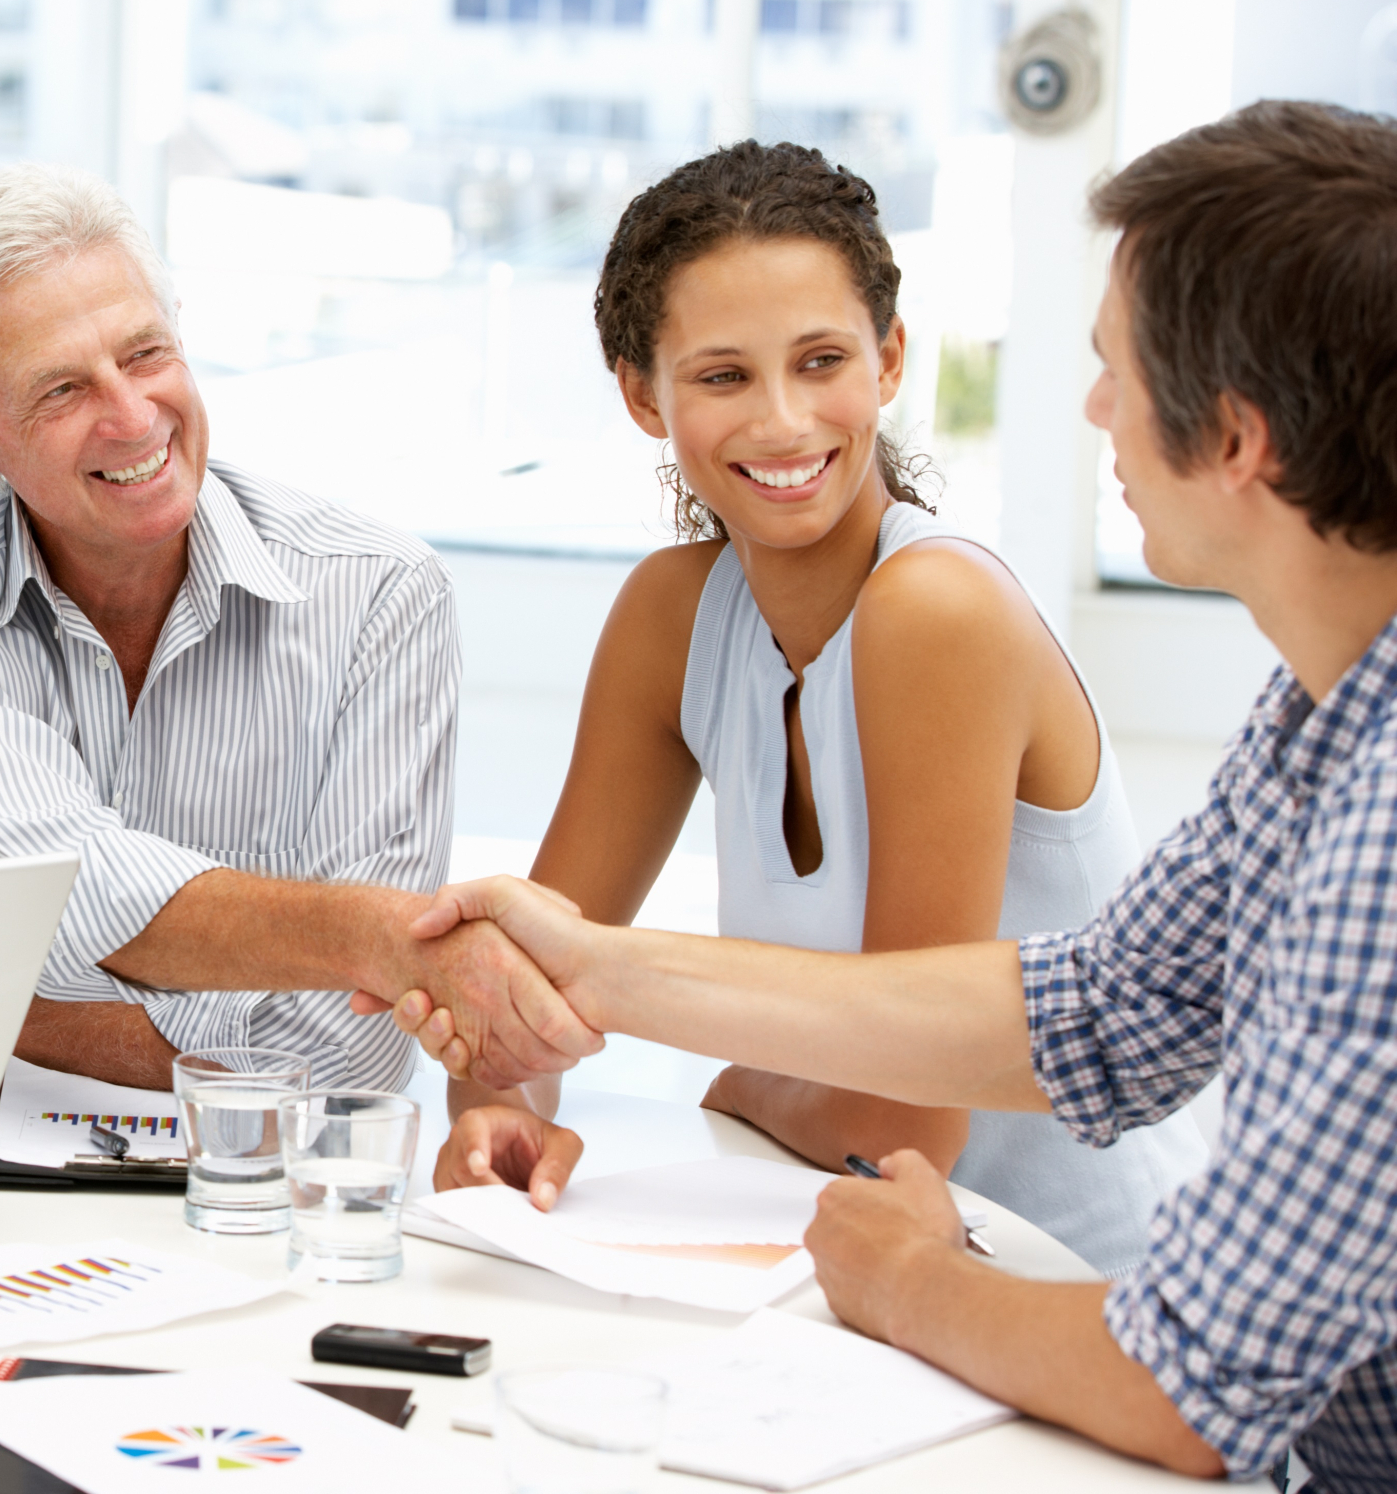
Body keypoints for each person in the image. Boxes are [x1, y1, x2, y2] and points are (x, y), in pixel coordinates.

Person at [386, 102, 1397, 1494]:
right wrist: (574, 999)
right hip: (1107, 1358)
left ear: (1232, 434)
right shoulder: (1314, 727)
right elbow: (1094, 1013)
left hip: (1143, 1364)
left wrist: (896, 1255)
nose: (1093, 408)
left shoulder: (1375, 829)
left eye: (1117, 369)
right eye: (725, 372)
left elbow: (1182, 1376)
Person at [426, 141, 1201, 1268]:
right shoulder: (673, 615)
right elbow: (524, 979)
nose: (783, 422)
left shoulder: (936, 609)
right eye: (722, 375)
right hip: (852, 1258)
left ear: (889, 361)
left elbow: (902, 1124)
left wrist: (745, 1081)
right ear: (642, 393)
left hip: (1071, 1285)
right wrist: (496, 1109)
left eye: (821, 359)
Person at [0, 162, 585, 1128]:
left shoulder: (381, 593)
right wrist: (369, 941)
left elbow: (356, 1049)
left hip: (270, 1186)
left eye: (145, 355)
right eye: (60, 390)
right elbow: (62, 886)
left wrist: (3, 1009)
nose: (132, 416)